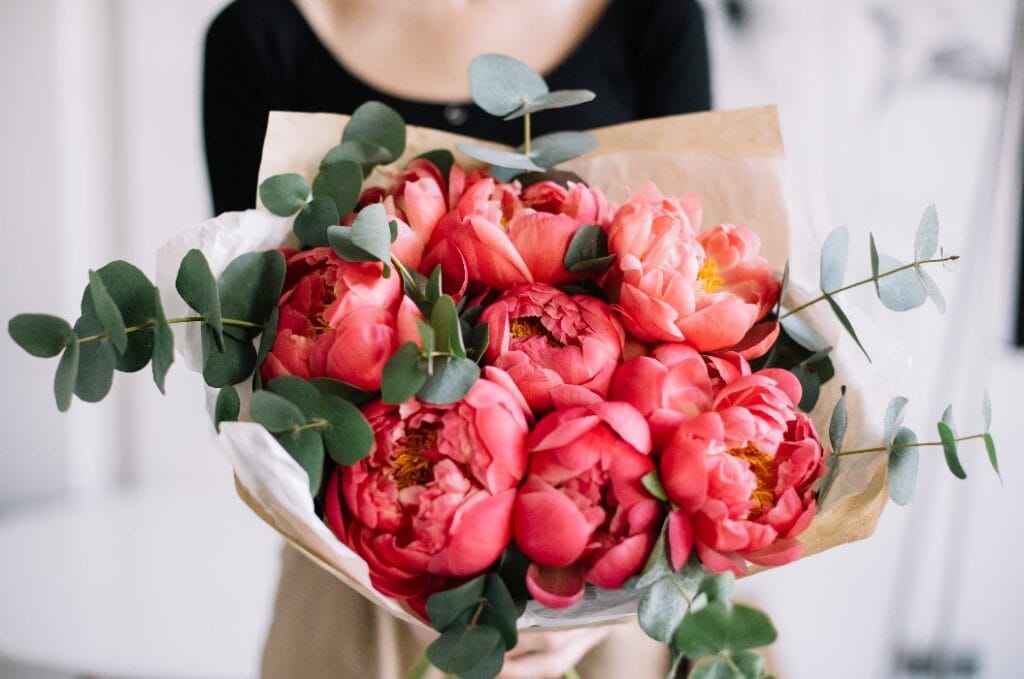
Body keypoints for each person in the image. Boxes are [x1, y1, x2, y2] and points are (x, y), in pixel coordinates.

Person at [202, 1, 711, 676]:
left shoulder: (654, 19)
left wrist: (597, 610)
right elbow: (257, 347)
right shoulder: (262, 37)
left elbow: (694, 318)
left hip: (617, 589)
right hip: (361, 589)